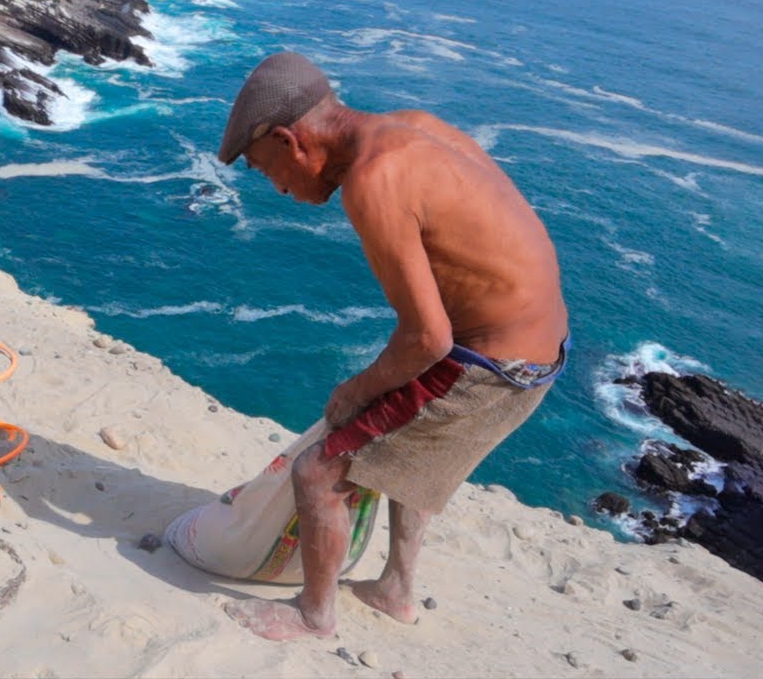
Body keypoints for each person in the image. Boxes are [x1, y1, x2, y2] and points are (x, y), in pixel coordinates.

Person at [215, 52, 569, 641]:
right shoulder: (413, 127)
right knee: (412, 447)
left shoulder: (374, 180)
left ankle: (314, 614)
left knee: (317, 471)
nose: (276, 187)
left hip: (491, 366)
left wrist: (354, 389)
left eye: (263, 168)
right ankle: (396, 590)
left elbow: (428, 339)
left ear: (287, 140)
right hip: (541, 351)